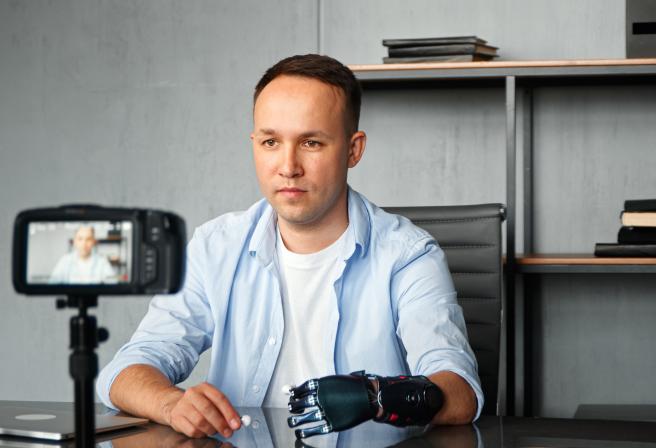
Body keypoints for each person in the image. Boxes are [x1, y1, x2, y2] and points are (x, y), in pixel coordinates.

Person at [96, 54, 481, 440]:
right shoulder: (216, 247)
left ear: (353, 150)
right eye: (270, 142)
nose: (287, 166)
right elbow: (124, 372)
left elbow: (460, 393)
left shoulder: (408, 255)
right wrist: (171, 403)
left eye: (311, 142)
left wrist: (376, 396)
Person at [49, 225, 116, 284]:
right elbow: (52, 284)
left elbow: (113, 283)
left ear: (93, 242)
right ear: (74, 241)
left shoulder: (102, 261)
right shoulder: (65, 261)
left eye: (88, 239)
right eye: (80, 239)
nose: (84, 243)